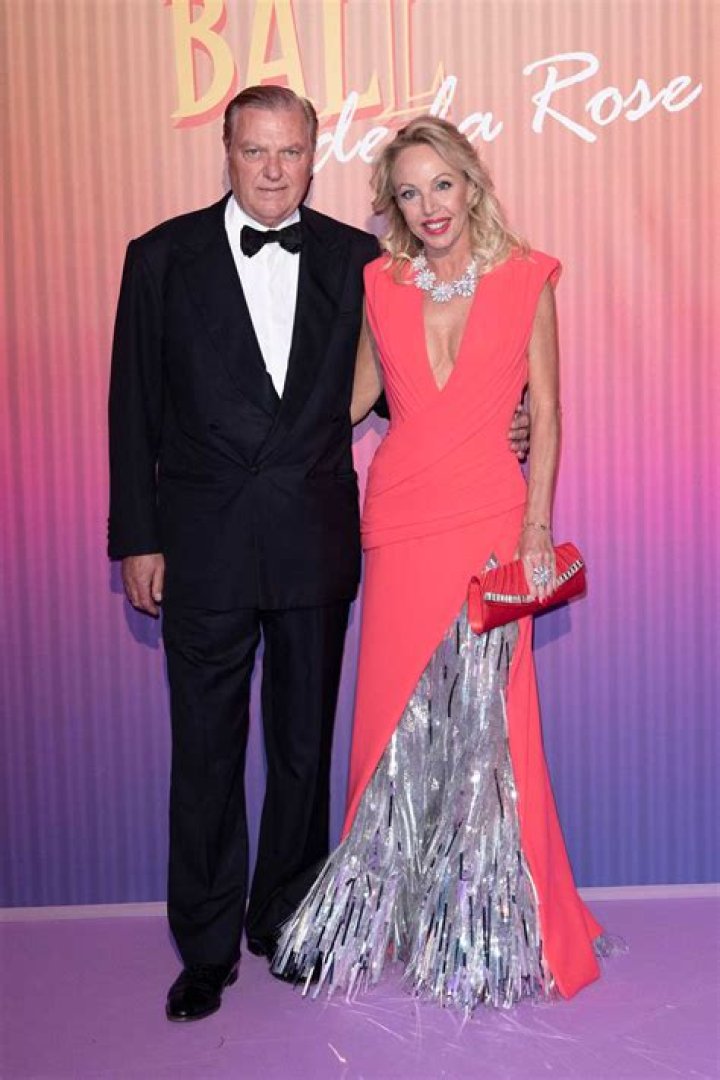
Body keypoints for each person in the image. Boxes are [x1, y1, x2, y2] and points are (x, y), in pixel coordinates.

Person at [108, 86, 532, 1022]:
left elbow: (425, 369)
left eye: (290, 151)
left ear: (313, 156)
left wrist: (508, 418)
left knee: (303, 750)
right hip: (202, 546)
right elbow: (131, 405)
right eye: (255, 150)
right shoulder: (160, 257)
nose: (273, 169)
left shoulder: (361, 261)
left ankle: (286, 920)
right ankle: (206, 951)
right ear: (227, 151)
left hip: (312, 539)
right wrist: (137, 537)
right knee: (206, 753)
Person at [273, 116, 608, 1011]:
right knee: (393, 722)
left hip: (493, 517)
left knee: (488, 725)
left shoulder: (527, 275)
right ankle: (391, 914)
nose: (429, 207)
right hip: (400, 515)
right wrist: (264, 416)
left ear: (471, 182)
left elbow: (549, 411)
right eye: (409, 192)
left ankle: (489, 924)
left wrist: (537, 525)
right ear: (393, 204)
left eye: (442, 185)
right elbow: (354, 399)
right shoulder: (380, 284)